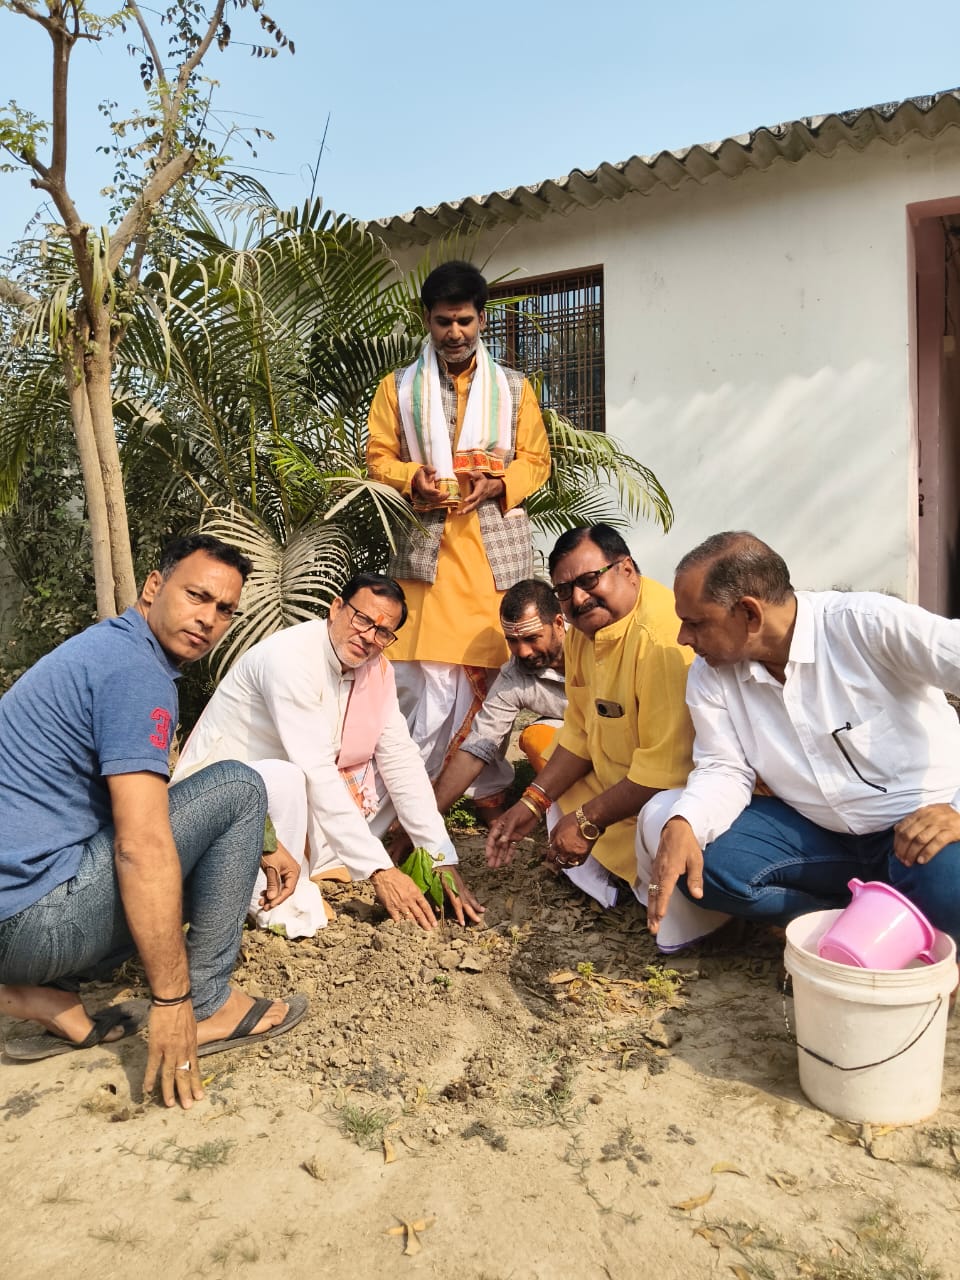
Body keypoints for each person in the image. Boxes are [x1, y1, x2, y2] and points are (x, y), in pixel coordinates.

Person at [0, 535, 306, 1109]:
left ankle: (49, 995)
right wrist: (172, 1000)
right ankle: (210, 1004)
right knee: (240, 787)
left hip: (11, 911)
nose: (209, 619)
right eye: (197, 596)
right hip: (30, 921)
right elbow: (140, 845)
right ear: (153, 586)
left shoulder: (108, 648)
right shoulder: (134, 673)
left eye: (225, 609)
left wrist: (262, 842)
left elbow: (145, 797)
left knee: (178, 826)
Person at [644, 531, 960, 949]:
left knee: (951, 885)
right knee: (698, 863)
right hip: (818, 837)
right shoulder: (710, 674)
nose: (683, 637)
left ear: (749, 613)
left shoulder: (867, 625)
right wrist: (686, 823)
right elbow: (724, 768)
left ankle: (901, 925)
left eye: (696, 622)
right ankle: (849, 923)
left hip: (920, 831)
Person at [173, 573, 483, 937]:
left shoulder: (376, 670)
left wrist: (440, 857)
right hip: (223, 804)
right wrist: (379, 871)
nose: (368, 637)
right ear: (336, 608)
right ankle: (275, 897)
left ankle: (319, 864)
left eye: (383, 632)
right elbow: (315, 769)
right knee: (289, 779)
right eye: (362, 620)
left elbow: (401, 760)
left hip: (292, 801)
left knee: (387, 775)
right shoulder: (290, 657)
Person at [486, 526, 729, 945]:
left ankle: (671, 899)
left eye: (588, 580)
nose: (579, 598)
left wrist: (586, 822)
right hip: (621, 783)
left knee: (658, 828)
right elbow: (580, 731)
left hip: (672, 793)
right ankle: (619, 882)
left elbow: (665, 772)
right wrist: (530, 803)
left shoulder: (659, 641)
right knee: (551, 779)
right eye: (565, 591)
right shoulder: (584, 632)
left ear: (627, 570)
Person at [366, 260, 551, 794]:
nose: (455, 333)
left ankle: (482, 786)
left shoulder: (514, 389)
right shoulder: (397, 388)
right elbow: (377, 458)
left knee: (486, 672)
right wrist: (411, 477)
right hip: (428, 550)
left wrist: (499, 483)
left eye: (464, 320)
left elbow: (537, 460)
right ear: (427, 319)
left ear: (482, 320)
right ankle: (414, 784)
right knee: (426, 675)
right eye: (444, 321)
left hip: (493, 552)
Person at [418, 579, 567, 829]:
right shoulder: (514, 675)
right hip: (577, 740)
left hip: (624, 731)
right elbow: (478, 747)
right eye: (512, 641)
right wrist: (424, 823)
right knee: (537, 738)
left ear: (559, 624)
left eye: (532, 638)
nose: (523, 651)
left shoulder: (592, 640)